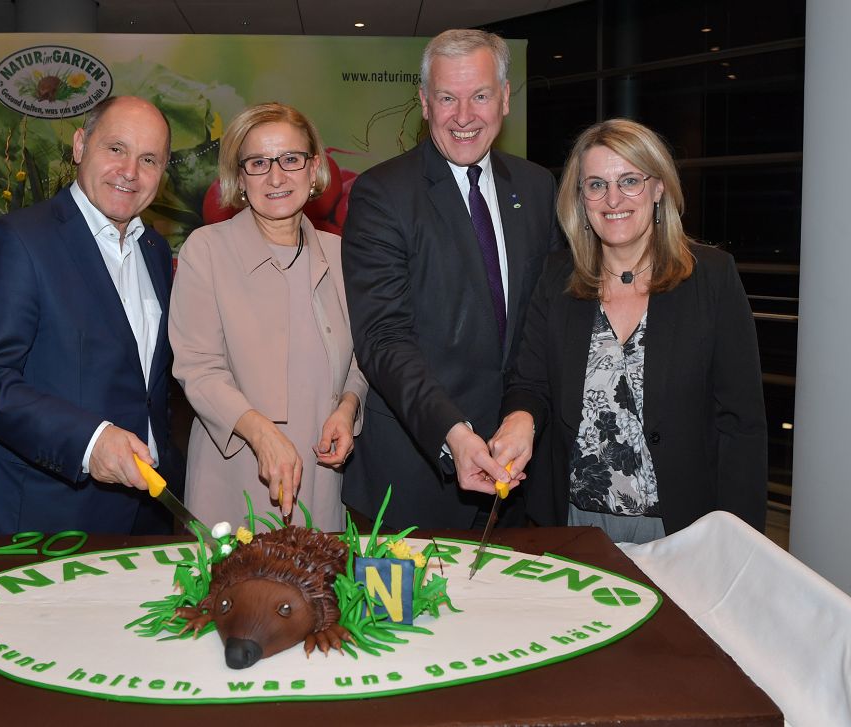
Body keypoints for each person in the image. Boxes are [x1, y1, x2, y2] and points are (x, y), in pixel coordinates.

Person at [492, 118, 768, 542]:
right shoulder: (556, 277)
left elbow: (741, 424)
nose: (613, 198)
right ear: (580, 198)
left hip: (682, 528)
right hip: (573, 523)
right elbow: (530, 381)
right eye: (596, 184)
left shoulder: (711, 277)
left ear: (659, 189)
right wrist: (519, 419)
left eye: (630, 181)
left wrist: (739, 542)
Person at [341, 29, 563, 530]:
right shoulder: (382, 194)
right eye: (447, 98)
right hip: (416, 476)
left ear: (505, 98)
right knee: (399, 612)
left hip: (518, 472)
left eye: (480, 95)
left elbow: (543, 324)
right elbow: (383, 338)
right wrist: (454, 434)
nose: (464, 117)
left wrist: (525, 415)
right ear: (424, 102)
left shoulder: (536, 187)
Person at [0, 95, 185, 550]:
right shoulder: (19, 240)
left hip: (148, 507)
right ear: (80, 145)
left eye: (149, 159)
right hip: (47, 511)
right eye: (116, 149)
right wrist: (90, 441)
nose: (130, 171)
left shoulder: (154, 250)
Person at [169, 102, 367, 532]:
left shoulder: (339, 256)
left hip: (321, 474)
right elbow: (197, 369)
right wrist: (261, 434)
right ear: (240, 178)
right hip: (235, 473)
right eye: (258, 163)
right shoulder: (206, 251)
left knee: (319, 595)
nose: (276, 177)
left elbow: (360, 360)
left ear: (314, 170)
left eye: (290, 159)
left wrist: (347, 408)